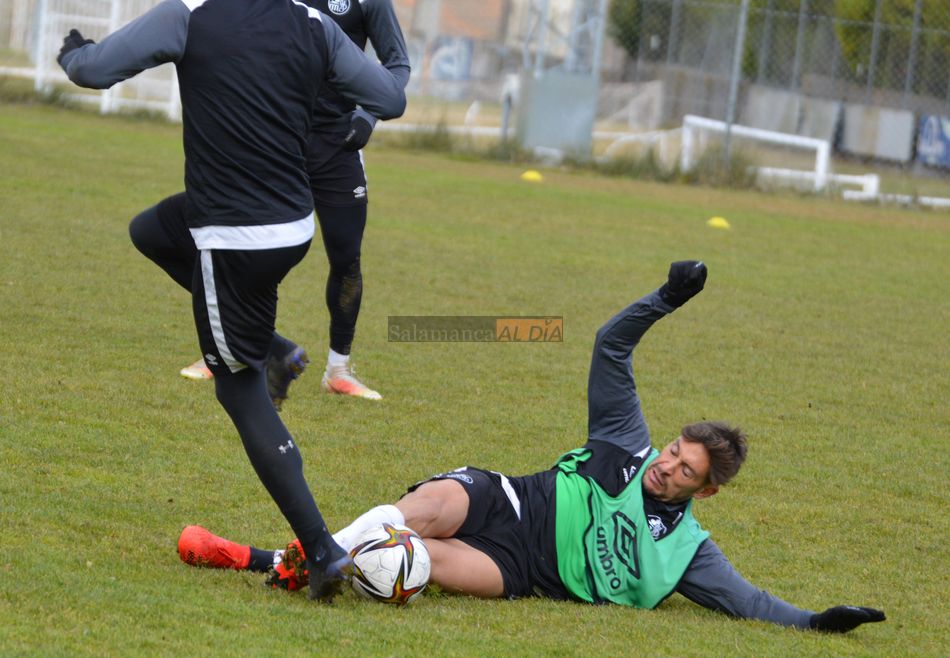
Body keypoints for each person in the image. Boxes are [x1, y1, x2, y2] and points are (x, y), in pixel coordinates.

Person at [176, 261, 886, 631]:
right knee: (417, 512)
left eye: (683, 470)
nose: (666, 464)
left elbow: (753, 606)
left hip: (518, 570)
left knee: (404, 565)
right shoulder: (623, 443)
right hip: (507, 497)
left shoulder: (687, 558)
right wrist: (666, 300)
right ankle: (272, 556)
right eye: (673, 449)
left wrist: (822, 622)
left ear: (708, 492)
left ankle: (257, 559)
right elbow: (612, 347)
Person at [57, 0, 406, 599]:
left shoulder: (189, 15)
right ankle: (274, 347)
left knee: (237, 388)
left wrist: (71, 49)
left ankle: (321, 551)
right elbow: (391, 97)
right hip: (292, 226)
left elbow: (92, 71)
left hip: (234, 236)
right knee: (153, 231)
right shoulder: (313, 22)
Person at [172, 0, 411, 402]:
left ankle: (339, 369)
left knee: (347, 257)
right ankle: (225, 350)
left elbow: (397, 64)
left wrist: (368, 117)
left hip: (338, 144)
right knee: (246, 245)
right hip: (275, 136)